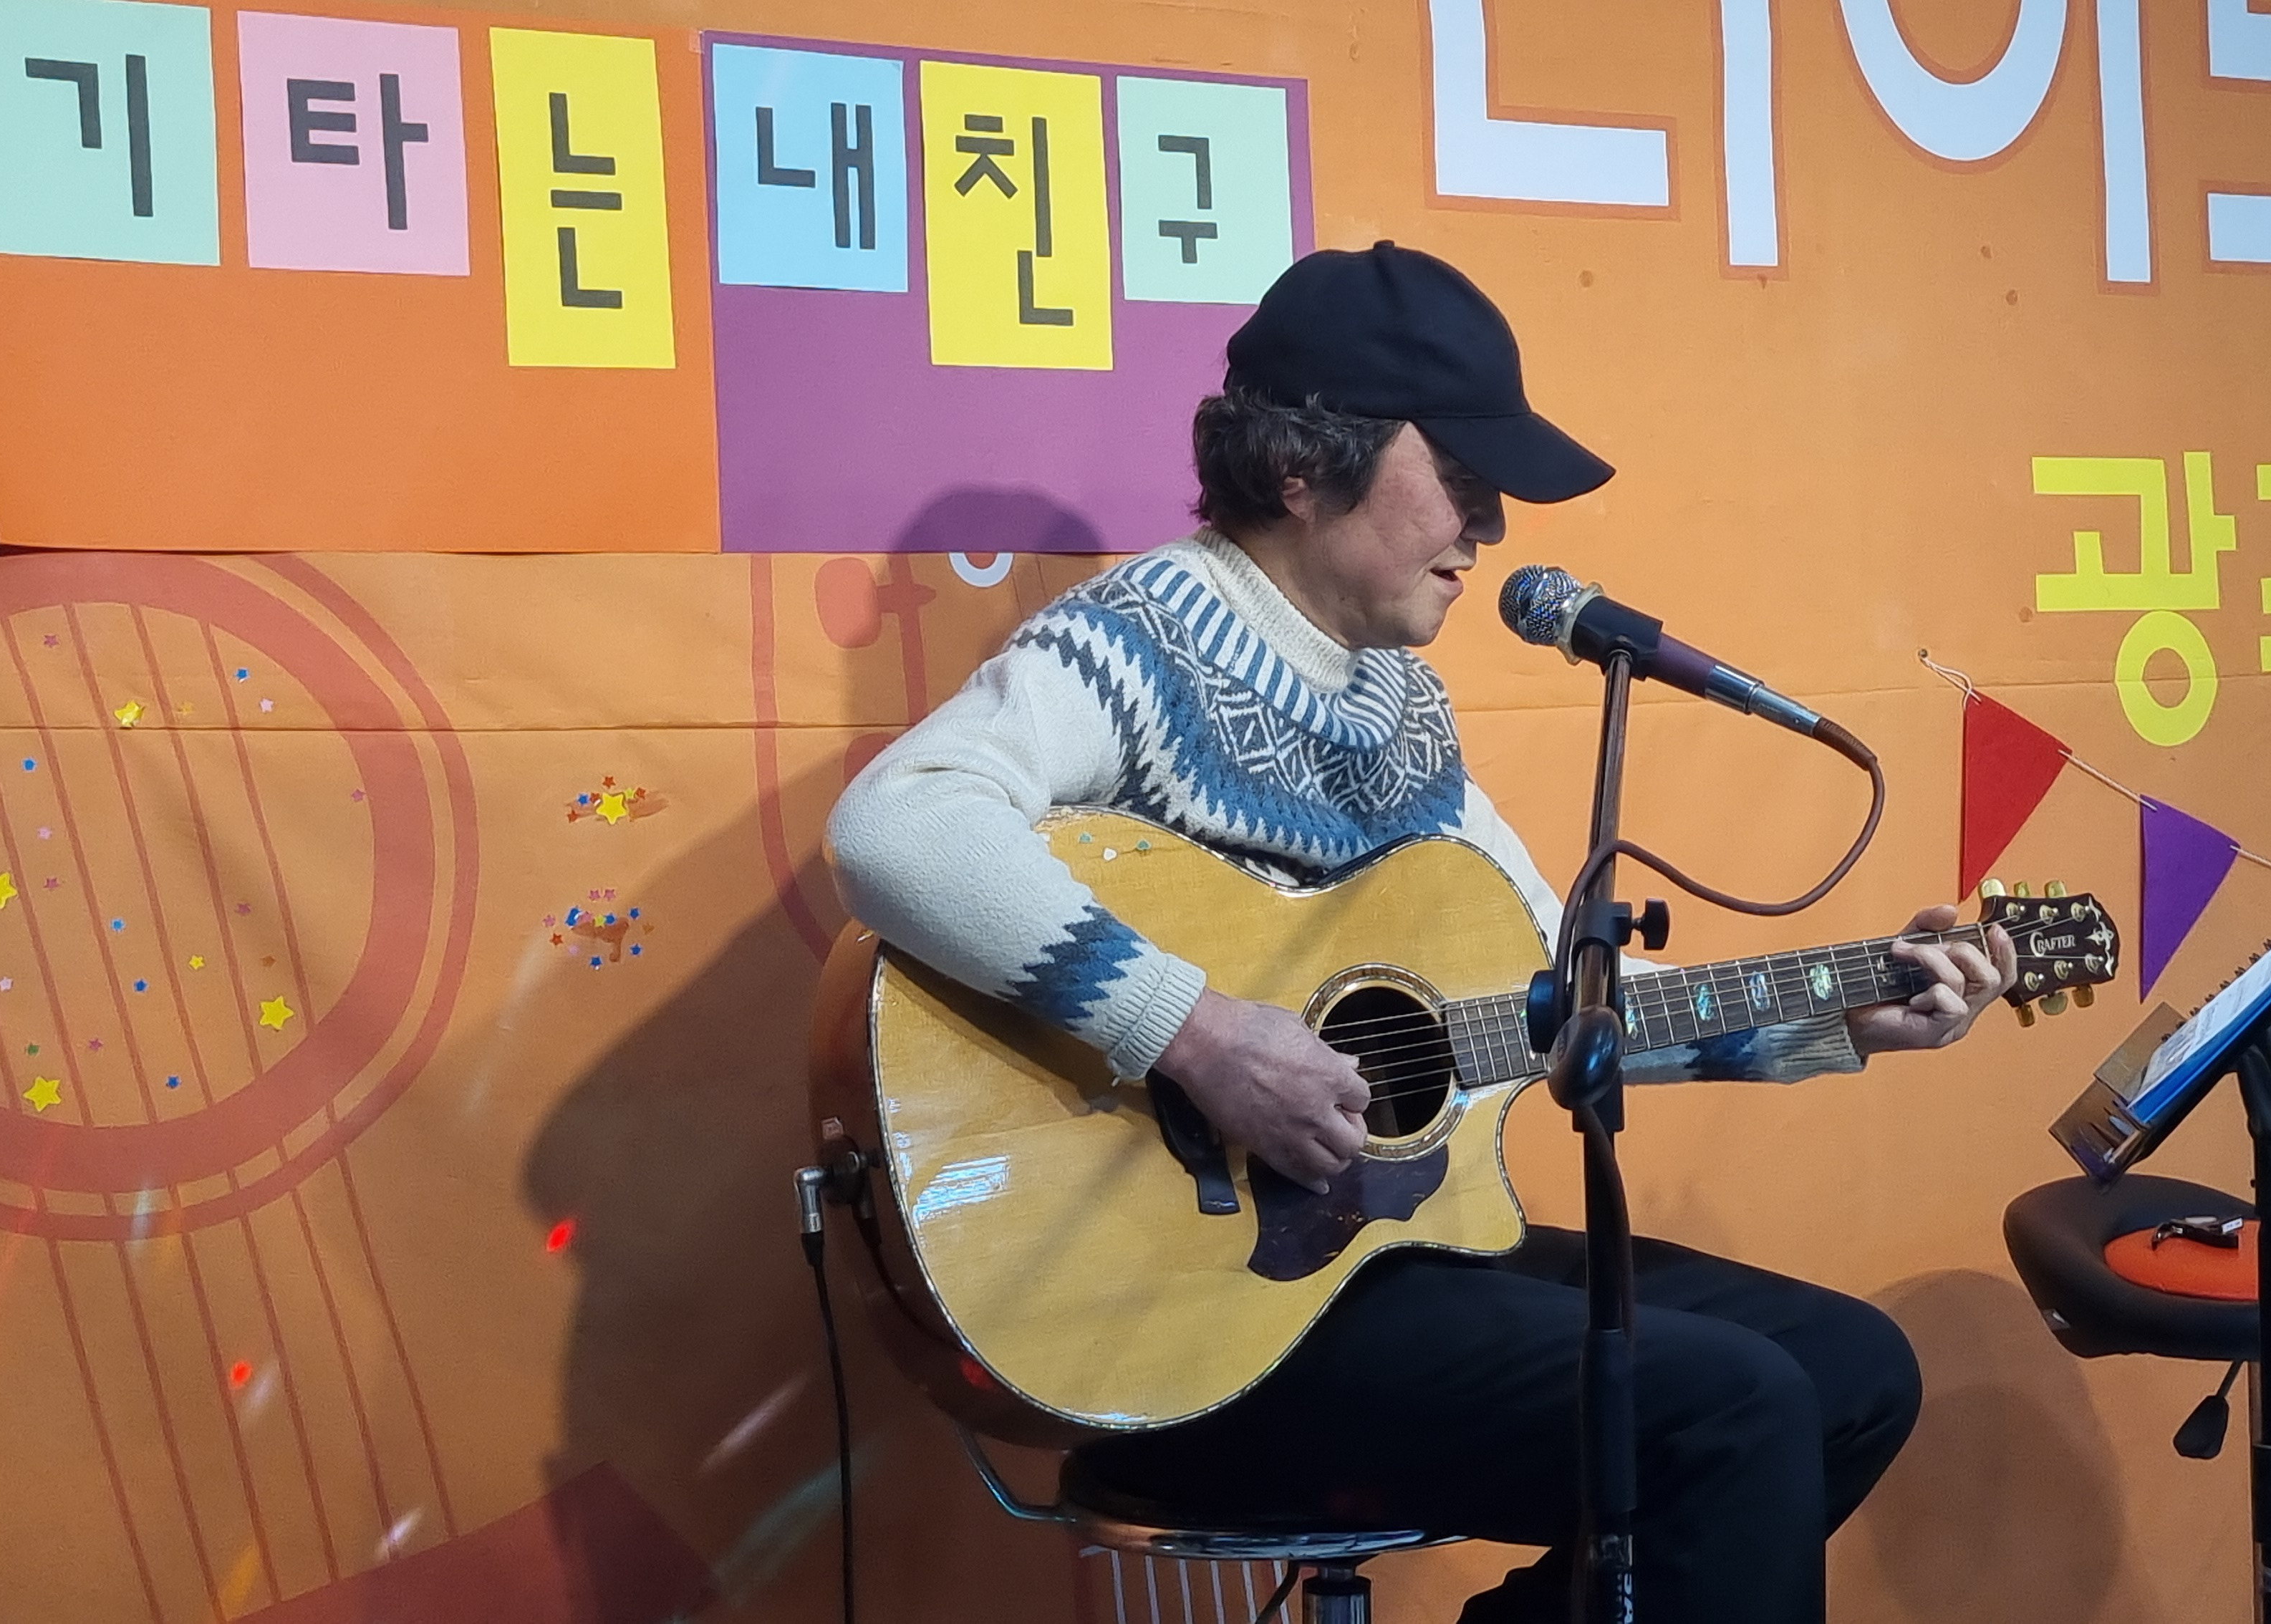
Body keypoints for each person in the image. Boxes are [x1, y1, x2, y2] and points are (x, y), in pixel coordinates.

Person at [826, 241, 2016, 1623]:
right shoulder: (1137, 639)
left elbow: (1555, 996)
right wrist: (1198, 1038)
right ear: (1301, 465)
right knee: (1733, 1407)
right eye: (1459, 475)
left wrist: (1839, 1015)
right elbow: (896, 826)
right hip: (1181, 1323)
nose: (1490, 528)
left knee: (1853, 1374)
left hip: (1378, 1261)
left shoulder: (1402, 702)